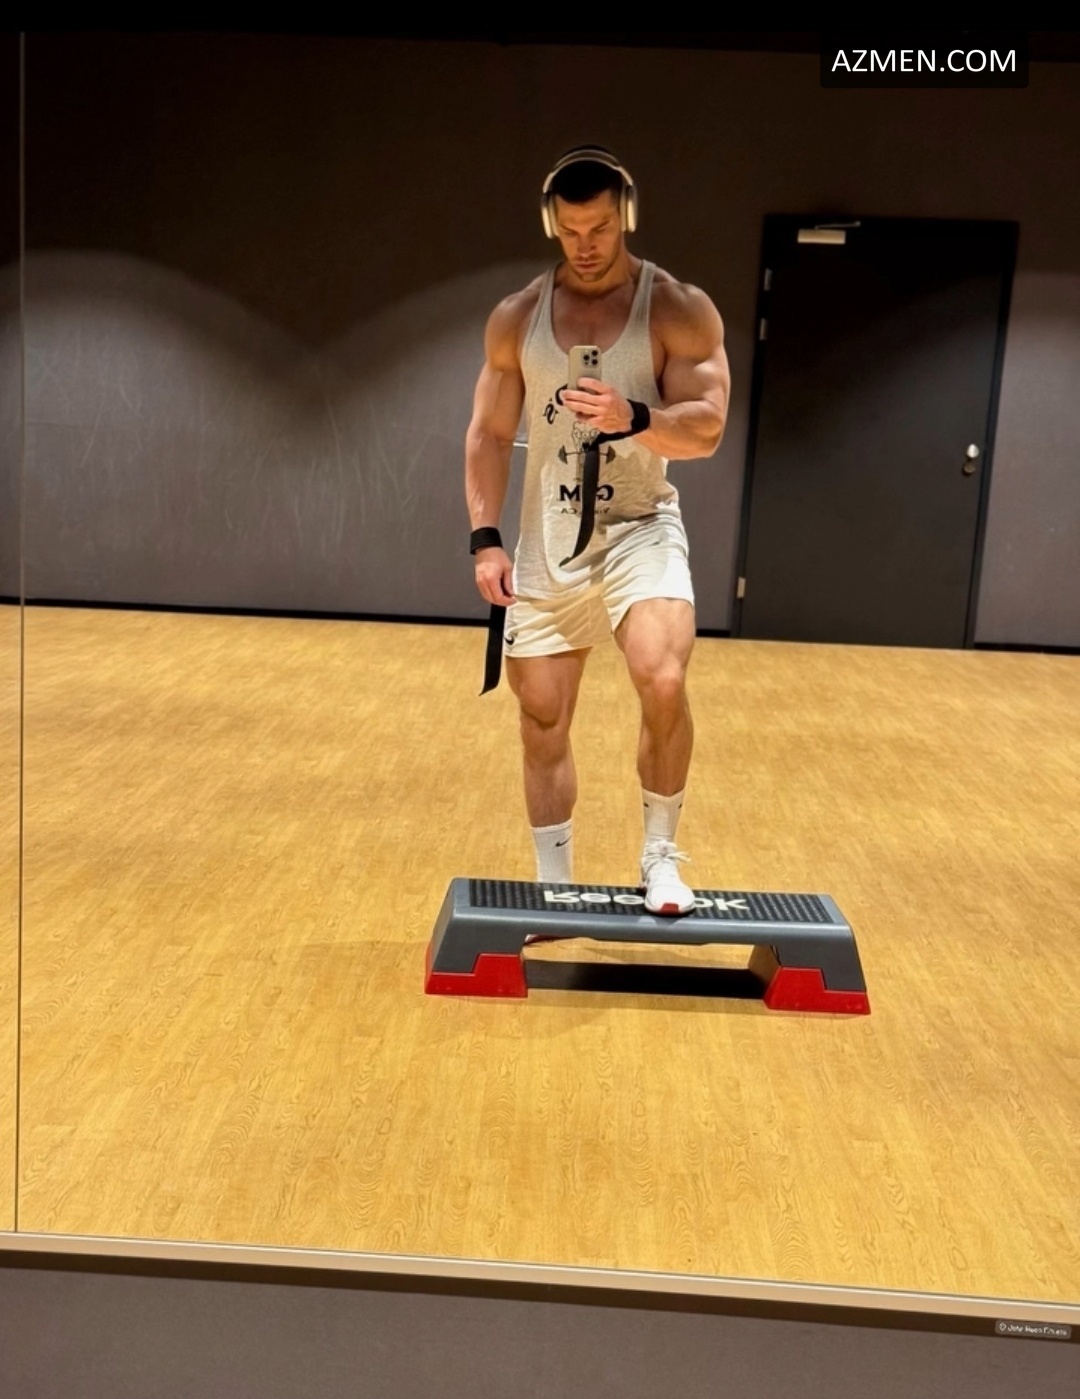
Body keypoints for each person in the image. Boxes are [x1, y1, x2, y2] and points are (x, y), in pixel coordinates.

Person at [465, 146, 730, 913]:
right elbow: (488, 433)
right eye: (572, 230)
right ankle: (554, 885)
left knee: (663, 675)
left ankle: (661, 857)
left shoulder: (676, 308)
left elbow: (707, 428)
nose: (586, 245)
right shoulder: (518, 317)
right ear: (553, 222)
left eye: (602, 229)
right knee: (542, 715)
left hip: (639, 525)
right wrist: (485, 538)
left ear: (628, 218)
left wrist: (634, 415)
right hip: (549, 538)